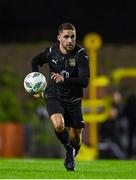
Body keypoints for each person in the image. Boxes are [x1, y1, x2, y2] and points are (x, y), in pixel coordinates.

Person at [31, 23, 90, 171]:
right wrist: (36, 82)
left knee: (76, 138)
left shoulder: (80, 54)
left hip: (74, 100)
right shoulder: (51, 52)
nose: (70, 40)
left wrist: (66, 79)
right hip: (54, 95)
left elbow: (85, 81)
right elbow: (35, 61)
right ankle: (68, 150)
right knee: (58, 124)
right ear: (59, 38)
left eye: (73, 37)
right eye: (66, 37)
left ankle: (71, 151)